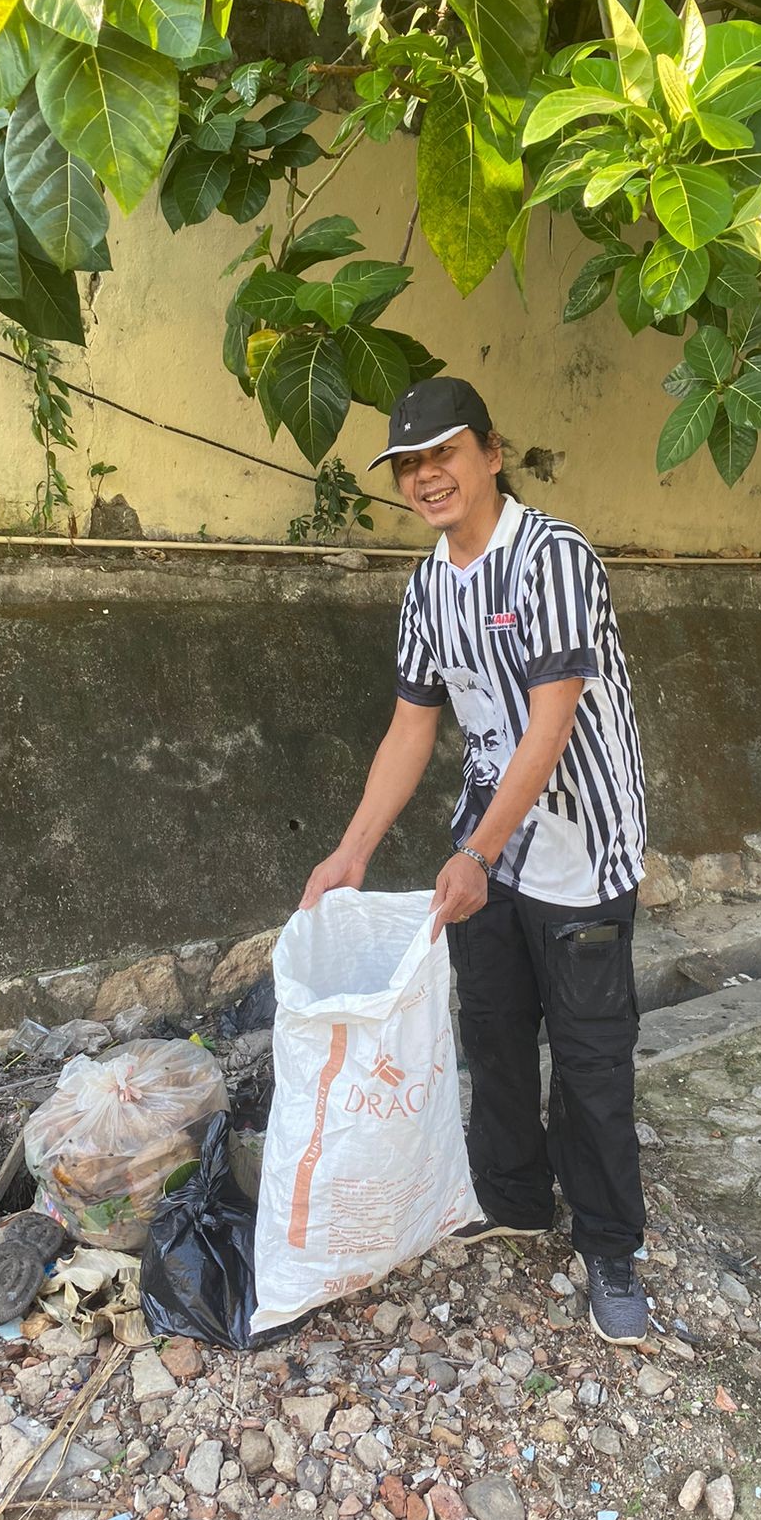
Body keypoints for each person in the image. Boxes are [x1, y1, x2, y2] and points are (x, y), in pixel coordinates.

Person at [300, 376, 650, 1345]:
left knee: (589, 1057)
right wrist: (351, 851)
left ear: (491, 453)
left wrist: (477, 853)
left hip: (582, 852)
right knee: (493, 1032)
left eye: (442, 454)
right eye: (409, 465)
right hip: (488, 850)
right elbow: (412, 729)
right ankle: (516, 1198)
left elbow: (550, 724)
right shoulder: (426, 589)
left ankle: (612, 1244)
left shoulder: (553, 559)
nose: (425, 477)